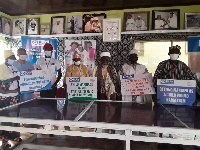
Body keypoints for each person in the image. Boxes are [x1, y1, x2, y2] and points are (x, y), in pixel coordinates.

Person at [0, 50, 20, 147]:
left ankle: (15, 136)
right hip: (4, 98)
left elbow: (19, 79)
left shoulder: (14, 67)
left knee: (15, 117)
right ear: (7, 59)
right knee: (5, 119)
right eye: (12, 58)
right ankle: (4, 140)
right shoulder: (1, 68)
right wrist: (14, 79)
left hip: (14, 97)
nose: (13, 60)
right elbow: (2, 86)